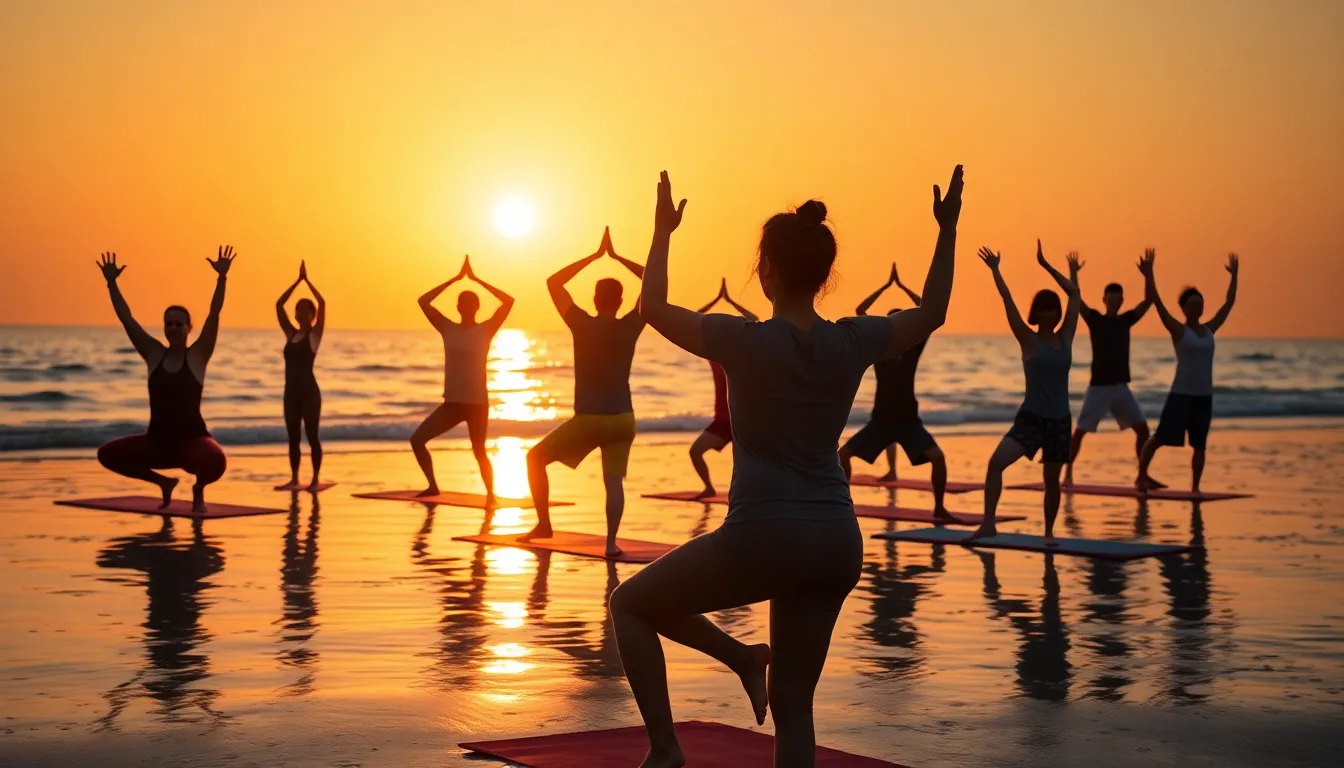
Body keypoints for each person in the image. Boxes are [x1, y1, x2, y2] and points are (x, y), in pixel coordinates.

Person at [611, 166, 962, 767]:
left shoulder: (741, 340)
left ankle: (668, 747)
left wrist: (662, 232)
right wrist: (947, 229)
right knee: (794, 706)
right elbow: (931, 311)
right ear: (824, 277)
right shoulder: (853, 340)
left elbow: (653, 307)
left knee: (629, 604)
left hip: (765, 536)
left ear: (766, 270)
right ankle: (746, 660)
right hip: (835, 541)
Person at [522, 227, 646, 557]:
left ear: (594, 299)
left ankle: (544, 525)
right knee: (613, 481)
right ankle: (610, 544)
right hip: (623, 419)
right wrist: (618, 259)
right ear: (621, 301)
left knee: (534, 459)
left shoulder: (581, 323)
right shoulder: (632, 325)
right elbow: (652, 280)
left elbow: (553, 283)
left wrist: (594, 257)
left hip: (590, 419)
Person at [95, 248, 234, 514]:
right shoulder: (154, 354)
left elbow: (213, 315)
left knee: (216, 461)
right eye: (168, 324)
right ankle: (164, 482)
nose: (172, 328)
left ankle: (198, 490)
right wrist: (111, 283)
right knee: (107, 454)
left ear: (188, 328)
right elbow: (127, 319)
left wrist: (222, 278)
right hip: (157, 443)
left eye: (178, 324)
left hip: (192, 442)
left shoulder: (197, 356)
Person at [969, 241, 1081, 542]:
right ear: (1037, 313)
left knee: (1052, 481)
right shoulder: (1028, 340)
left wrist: (1046, 266)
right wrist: (996, 271)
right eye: (1044, 309)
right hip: (1031, 418)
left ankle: (1048, 532)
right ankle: (988, 523)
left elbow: (1075, 294)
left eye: (1053, 308)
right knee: (996, 464)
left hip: (1060, 420)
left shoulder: (1066, 336)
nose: (1051, 313)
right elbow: (1007, 300)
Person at [838, 262, 952, 519]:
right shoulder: (878, 348)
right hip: (880, 421)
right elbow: (860, 310)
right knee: (842, 455)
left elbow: (928, 309)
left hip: (908, 422)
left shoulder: (913, 348)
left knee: (938, 458)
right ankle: (845, 503)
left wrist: (902, 287)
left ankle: (939, 508)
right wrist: (885, 287)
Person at [411, 256, 514, 503]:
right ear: (457, 307)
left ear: (476, 307)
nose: (466, 307)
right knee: (417, 440)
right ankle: (433, 486)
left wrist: (477, 280)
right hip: (453, 404)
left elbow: (509, 301)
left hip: (477, 403)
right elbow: (423, 301)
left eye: (470, 303)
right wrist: (455, 280)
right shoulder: (447, 327)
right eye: (462, 303)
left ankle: (491, 496)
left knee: (479, 451)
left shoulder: (486, 330)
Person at [1136, 250, 1239, 493]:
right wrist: (1149, 275)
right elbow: (1158, 304)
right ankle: (1141, 476)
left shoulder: (1209, 329)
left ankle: (1195, 487)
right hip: (1181, 394)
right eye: (1193, 304)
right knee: (1159, 438)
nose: (1198, 306)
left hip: (1204, 396)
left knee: (1200, 445)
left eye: (1200, 303)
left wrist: (1234, 276)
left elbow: (1229, 303)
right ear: (1183, 308)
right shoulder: (1179, 331)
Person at [1066, 263, 1154, 487]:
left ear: (1122, 301)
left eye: (1118, 299)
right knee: (1080, 433)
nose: (1114, 302)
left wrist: (1148, 273)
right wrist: (1073, 272)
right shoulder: (1095, 319)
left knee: (1143, 430)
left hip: (1120, 388)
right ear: (1104, 300)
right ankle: (1066, 475)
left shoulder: (1126, 320)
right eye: (1111, 299)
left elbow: (1148, 301)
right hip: (1099, 388)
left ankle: (1141, 475)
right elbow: (1075, 298)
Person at [688, 278, 759, 498]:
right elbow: (693, 321)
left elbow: (754, 321)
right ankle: (709, 487)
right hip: (722, 421)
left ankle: (754, 494)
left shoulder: (744, 354)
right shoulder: (713, 355)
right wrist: (716, 301)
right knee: (695, 451)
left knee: (750, 465)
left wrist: (730, 301)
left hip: (744, 420)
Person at [275, 261, 327, 491]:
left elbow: (323, 303)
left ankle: (315, 480)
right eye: (298, 310)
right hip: (290, 393)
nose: (300, 313)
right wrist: (296, 282)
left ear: (312, 315)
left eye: (305, 310)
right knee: (293, 436)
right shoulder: (290, 333)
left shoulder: (314, 336)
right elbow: (278, 304)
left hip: (309, 393)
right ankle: (295, 478)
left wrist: (308, 281)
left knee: (312, 435)